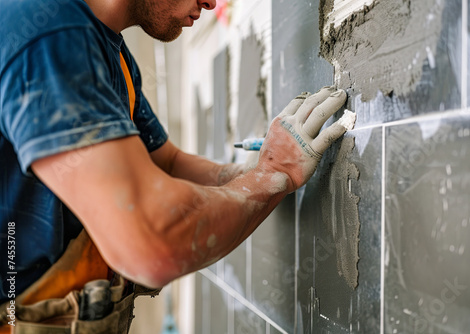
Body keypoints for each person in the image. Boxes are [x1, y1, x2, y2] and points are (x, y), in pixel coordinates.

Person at [0, 0, 354, 331]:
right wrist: (275, 175)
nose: (212, 3)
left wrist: (260, 169)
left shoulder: (114, 54)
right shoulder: (50, 37)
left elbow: (167, 163)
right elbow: (150, 244)